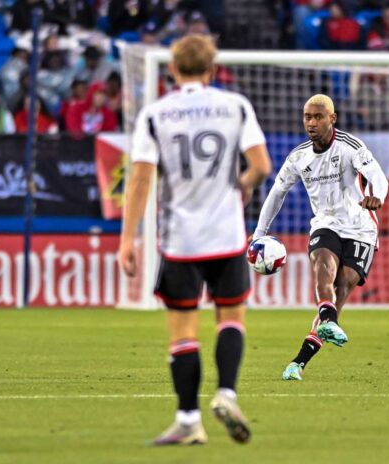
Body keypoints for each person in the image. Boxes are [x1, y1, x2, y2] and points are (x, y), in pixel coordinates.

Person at [118, 34, 272, 445]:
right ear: (213, 68)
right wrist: (240, 186)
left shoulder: (156, 114)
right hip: (226, 233)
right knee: (231, 318)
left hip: (180, 238)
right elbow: (261, 165)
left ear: (171, 69)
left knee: (183, 331)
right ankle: (226, 394)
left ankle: (188, 420)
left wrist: (127, 239)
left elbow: (140, 179)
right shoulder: (235, 106)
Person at [253, 94, 389, 381]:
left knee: (343, 286)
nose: (311, 123)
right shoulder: (298, 157)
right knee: (322, 266)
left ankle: (299, 362)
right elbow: (277, 194)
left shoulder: (351, 146)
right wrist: (259, 234)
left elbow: (378, 177)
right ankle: (327, 319)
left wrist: (377, 196)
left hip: (361, 227)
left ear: (332, 118)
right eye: (307, 117)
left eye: (317, 117)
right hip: (326, 224)